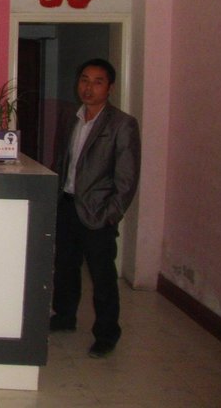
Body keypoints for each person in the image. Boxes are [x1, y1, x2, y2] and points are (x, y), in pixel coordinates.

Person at [50, 58, 141, 359]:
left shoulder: (122, 124)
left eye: (97, 82)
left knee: (102, 276)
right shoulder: (72, 116)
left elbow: (127, 179)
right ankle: (65, 316)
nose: (89, 88)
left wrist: (110, 215)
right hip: (67, 204)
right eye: (84, 80)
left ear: (109, 87)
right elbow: (63, 160)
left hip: (98, 213)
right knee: (65, 267)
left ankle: (106, 333)